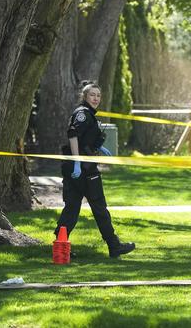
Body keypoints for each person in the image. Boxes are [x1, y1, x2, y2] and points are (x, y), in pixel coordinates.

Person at [55, 81, 135, 258]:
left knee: (72, 208)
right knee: (98, 207)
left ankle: (60, 246)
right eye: (92, 95)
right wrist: (77, 161)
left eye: (98, 95)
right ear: (84, 97)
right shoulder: (83, 114)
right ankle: (114, 246)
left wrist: (99, 148)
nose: (96, 98)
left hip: (80, 167)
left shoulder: (88, 114)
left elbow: (85, 139)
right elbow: (73, 135)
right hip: (83, 169)